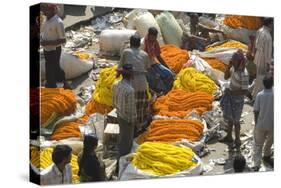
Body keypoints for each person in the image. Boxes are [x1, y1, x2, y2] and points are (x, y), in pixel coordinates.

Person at [118, 34, 150, 133]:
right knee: (141, 107)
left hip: (130, 84)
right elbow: (147, 68)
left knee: (130, 106)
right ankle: (139, 126)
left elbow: (120, 67)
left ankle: (131, 127)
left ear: (130, 43)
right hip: (142, 84)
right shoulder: (144, 54)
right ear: (139, 44)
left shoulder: (126, 52)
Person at [220, 50, 250, 147]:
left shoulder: (244, 73)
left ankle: (237, 139)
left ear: (239, 61)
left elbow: (245, 91)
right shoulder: (233, 68)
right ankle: (229, 136)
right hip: (231, 97)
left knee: (236, 121)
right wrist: (228, 66)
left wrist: (232, 92)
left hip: (238, 100)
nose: (232, 61)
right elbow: (225, 77)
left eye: (234, 60)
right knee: (230, 119)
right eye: (232, 59)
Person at [40, 4, 71, 89]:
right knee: (49, 66)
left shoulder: (58, 22)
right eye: (44, 10)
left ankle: (60, 83)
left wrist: (48, 43)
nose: (44, 12)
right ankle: (51, 83)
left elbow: (63, 40)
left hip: (55, 49)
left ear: (54, 10)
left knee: (54, 67)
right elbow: (43, 32)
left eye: (47, 10)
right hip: (46, 48)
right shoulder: (45, 20)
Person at [113, 64, 137, 157]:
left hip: (119, 114)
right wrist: (133, 122)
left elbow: (114, 101)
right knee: (127, 141)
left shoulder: (116, 84)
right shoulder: (130, 90)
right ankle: (122, 159)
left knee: (122, 136)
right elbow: (131, 110)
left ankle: (120, 153)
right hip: (127, 119)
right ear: (131, 75)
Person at [144, 27, 175, 94]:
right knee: (156, 81)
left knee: (169, 74)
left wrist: (168, 67)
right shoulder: (143, 44)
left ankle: (166, 91)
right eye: (153, 38)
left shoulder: (155, 42)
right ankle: (160, 93)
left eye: (155, 38)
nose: (154, 40)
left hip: (153, 63)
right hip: (145, 66)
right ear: (149, 35)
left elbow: (158, 56)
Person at [252, 75, 274, 171]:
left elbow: (256, 110)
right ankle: (267, 156)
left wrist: (256, 123)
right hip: (272, 124)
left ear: (263, 84)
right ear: (272, 84)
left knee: (258, 144)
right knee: (269, 142)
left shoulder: (260, 95)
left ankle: (257, 164)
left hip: (261, 124)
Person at [252, 17, 273, 98]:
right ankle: (256, 95)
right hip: (263, 59)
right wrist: (268, 64)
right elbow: (267, 52)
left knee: (259, 76)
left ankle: (254, 93)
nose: (273, 25)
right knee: (262, 78)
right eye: (272, 23)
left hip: (258, 57)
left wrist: (254, 54)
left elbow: (255, 44)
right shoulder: (268, 36)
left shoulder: (260, 30)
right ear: (269, 24)